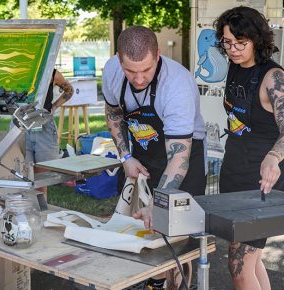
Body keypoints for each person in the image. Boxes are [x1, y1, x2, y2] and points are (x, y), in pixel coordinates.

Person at [102, 25, 206, 289]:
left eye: (146, 70)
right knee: (141, 233)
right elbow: (113, 114)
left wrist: (160, 204)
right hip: (143, 155)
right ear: (118, 59)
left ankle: (179, 285)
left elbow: (179, 156)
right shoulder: (111, 71)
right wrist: (125, 157)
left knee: (175, 238)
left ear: (158, 55)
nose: (138, 79)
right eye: (130, 71)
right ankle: (155, 284)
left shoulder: (177, 85)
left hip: (183, 158)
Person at [214, 6, 284, 290]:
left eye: (240, 43)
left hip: (261, 182)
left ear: (257, 39)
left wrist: (273, 156)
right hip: (234, 174)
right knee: (251, 262)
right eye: (227, 42)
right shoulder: (235, 67)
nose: (232, 49)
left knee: (238, 266)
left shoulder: (273, 78)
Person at [26, 69, 73, 198]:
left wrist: (55, 106)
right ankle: (26, 209)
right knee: (22, 174)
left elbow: (69, 90)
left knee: (42, 177)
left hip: (44, 124)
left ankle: (41, 210)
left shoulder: (52, 73)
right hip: (21, 125)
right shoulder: (17, 69)